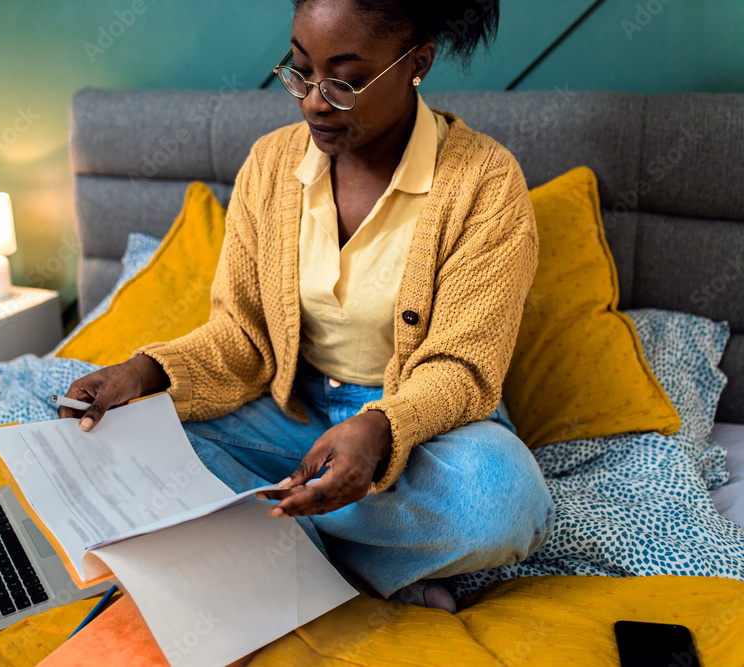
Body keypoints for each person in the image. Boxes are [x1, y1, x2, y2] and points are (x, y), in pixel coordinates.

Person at [60, 0, 554, 612]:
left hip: (424, 430)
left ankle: (276, 546)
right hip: (288, 412)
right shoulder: (270, 167)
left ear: (417, 63)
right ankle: (363, 560)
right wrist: (146, 373)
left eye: (345, 81)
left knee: (505, 502)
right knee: (117, 434)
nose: (315, 101)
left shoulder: (485, 184)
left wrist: (378, 430)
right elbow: (241, 338)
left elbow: (462, 369)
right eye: (299, 71)